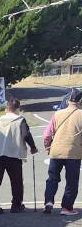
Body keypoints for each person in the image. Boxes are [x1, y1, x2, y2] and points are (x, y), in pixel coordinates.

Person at [0, 95, 37, 214]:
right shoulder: (20, 120)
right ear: (17, 108)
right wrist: (33, 147)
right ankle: (16, 205)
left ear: (6, 109)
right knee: (16, 181)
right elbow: (26, 135)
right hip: (12, 154)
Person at [41, 87, 82, 215]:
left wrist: (48, 147)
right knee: (71, 181)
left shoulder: (57, 114)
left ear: (68, 101)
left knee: (52, 179)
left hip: (56, 151)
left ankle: (49, 202)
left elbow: (47, 135)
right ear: (80, 102)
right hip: (73, 152)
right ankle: (66, 207)